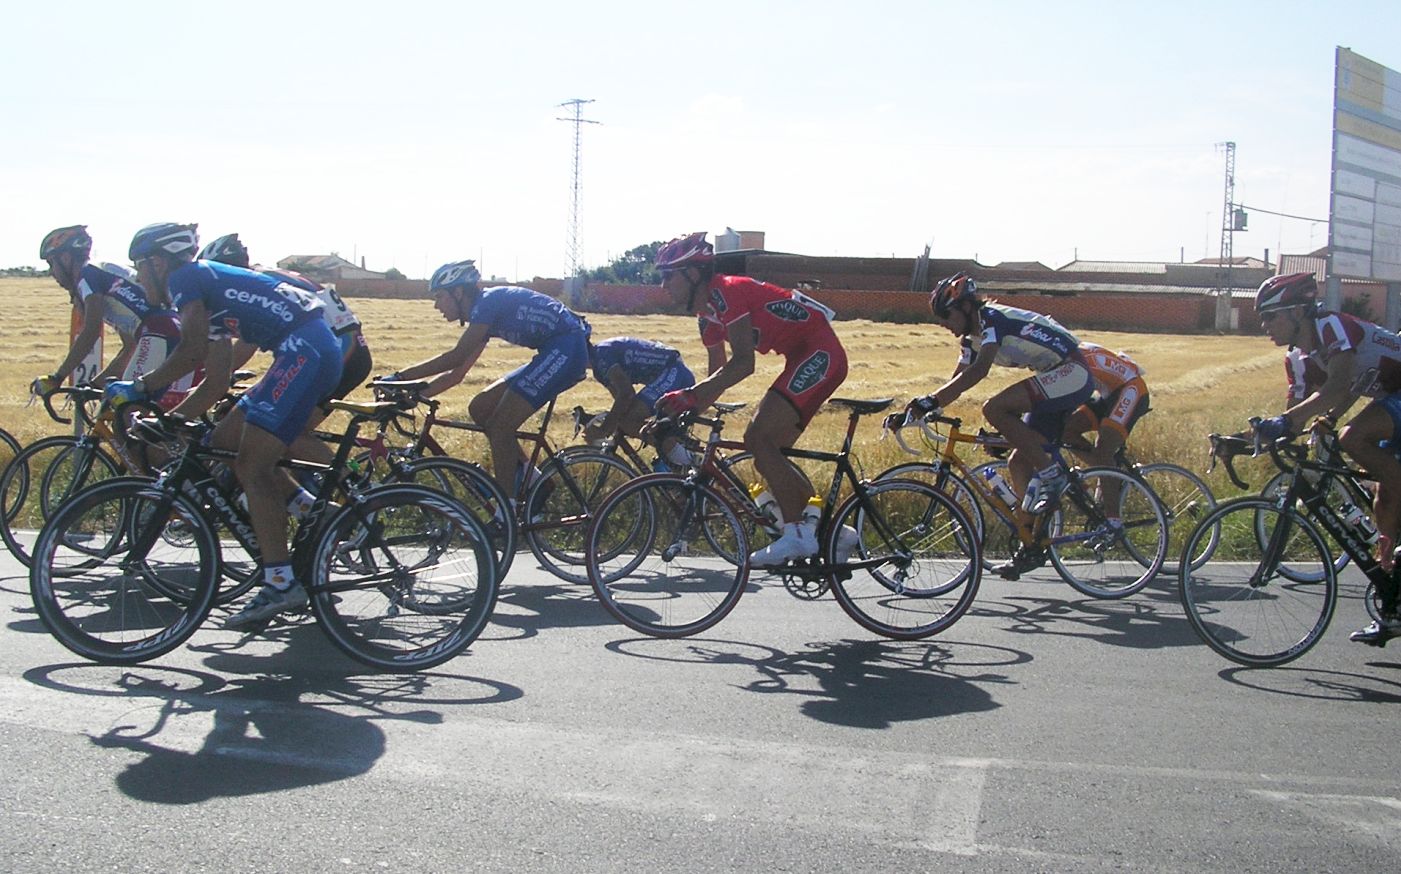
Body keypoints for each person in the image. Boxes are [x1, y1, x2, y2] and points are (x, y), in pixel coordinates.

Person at [104, 223, 344, 630]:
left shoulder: (186, 277)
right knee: (225, 440)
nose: (138, 279)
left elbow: (190, 350)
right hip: (306, 349)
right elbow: (216, 381)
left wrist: (139, 387)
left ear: (157, 263)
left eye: (139, 268)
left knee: (252, 466)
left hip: (304, 351)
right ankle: (313, 510)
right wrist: (175, 420)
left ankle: (280, 583)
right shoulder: (206, 294)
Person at [653, 231, 853, 565]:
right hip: (804, 354)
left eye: (668, 276)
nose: (663, 286)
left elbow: (744, 363)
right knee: (765, 456)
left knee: (758, 438)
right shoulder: (706, 316)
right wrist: (677, 417)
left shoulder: (726, 292)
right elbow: (717, 376)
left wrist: (689, 396)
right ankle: (836, 534)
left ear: (692, 274)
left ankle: (797, 535)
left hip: (819, 351)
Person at [910, 271, 1093, 576]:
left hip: (1072, 371)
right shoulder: (970, 338)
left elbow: (979, 370)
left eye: (947, 316)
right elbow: (958, 378)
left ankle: (1053, 476)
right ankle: (1031, 544)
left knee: (994, 408)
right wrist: (926, 406)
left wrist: (932, 400)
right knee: (1018, 462)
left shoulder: (991, 320)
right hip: (1054, 375)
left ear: (966, 307)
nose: (944, 324)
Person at [1251, 271, 1401, 644]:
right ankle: (1394, 602)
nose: (1264, 325)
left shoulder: (1330, 325)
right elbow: (1348, 387)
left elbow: (1338, 385)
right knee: (1384, 500)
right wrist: (1249, 439)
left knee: (1355, 437)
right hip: (1392, 395)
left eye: (1271, 316)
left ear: (1297, 311)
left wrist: (1288, 420)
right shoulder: (1307, 352)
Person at [386, 260, 591, 496]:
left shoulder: (487, 304)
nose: (436, 305)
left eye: (439, 296)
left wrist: (399, 378)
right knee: (480, 407)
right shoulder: (483, 312)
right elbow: (456, 374)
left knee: (500, 426)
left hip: (568, 348)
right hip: (556, 349)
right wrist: (415, 395)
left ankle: (506, 507)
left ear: (458, 292)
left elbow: (456, 356)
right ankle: (533, 480)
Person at [193, 233, 373, 469]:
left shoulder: (253, 285)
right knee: (272, 431)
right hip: (346, 348)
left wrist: (211, 382)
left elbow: (246, 347)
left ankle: (349, 483)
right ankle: (311, 483)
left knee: (279, 429)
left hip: (338, 352)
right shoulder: (268, 275)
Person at [33, 225, 196, 409]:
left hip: (157, 332)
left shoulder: (87, 275)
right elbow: (130, 348)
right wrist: (95, 385)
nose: (52, 272)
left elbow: (90, 331)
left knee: (126, 409)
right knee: (141, 411)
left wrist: (58, 377)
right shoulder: (102, 272)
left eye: (51, 263)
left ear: (65, 258)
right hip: (169, 332)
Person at [1060, 342, 1151, 516]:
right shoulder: (1064, 353)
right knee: (1066, 430)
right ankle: (1111, 474)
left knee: (1104, 450)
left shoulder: (1075, 360)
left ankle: (1113, 520)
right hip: (1108, 393)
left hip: (1131, 388)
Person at [584, 336, 697, 470]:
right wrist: (607, 423)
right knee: (626, 420)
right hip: (673, 373)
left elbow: (626, 395)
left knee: (628, 421)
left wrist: (603, 429)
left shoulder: (602, 355)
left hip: (675, 372)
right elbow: (622, 405)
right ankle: (682, 462)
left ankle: (691, 462)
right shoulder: (599, 367)